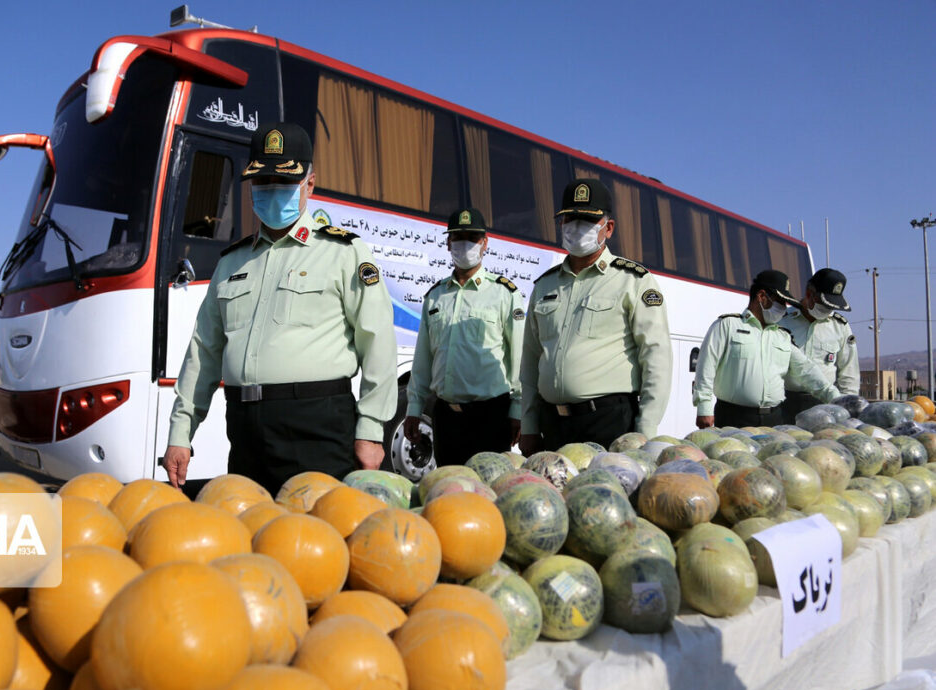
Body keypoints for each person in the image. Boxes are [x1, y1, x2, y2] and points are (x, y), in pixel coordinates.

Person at [163, 122, 397, 494]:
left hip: (316, 426)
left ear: (310, 184)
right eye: (262, 183)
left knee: (316, 541)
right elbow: (203, 352)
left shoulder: (343, 252)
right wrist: (181, 431)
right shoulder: (232, 263)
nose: (272, 192)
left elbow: (378, 345)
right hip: (244, 428)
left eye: (284, 183)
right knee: (252, 538)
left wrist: (371, 430)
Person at [520, 179, 673, 454]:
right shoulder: (544, 285)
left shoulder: (634, 280)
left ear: (608, 228)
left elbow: (656, 358)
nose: (576, 227)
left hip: (609, 423)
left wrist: (645, 431)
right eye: (570, 219)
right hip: (553, 425)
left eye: (587, 220)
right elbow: (531, 361)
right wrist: (529, 425)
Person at [403, 208, 525, 466]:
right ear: (448, 243)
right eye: (458, 237)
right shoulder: (435, 296)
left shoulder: (503, 293)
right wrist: (414, 409)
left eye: (472, 237)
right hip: (446, 418)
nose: (465, 244)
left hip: (491, 417)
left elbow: (519, 359)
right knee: (449, 492)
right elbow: (423, 360)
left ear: (485, 243)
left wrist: (518, 410)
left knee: (489, 494)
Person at [694, 269, 840, 428]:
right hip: (734, 418)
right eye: (780, 302)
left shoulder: (782, 336)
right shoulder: (727, 326)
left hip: (774, 419)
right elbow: (706, 369)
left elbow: (806, 370)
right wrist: (704, 408)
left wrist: (835, 398)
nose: (784, 308)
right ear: (762, 297)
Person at [778, 268, 859, 421]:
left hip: (825, 406)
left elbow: (849, 374)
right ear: (809, 294)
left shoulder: (840, 326)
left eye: (832, 307)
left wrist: (849, 408)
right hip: (785, 404)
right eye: (824, 306)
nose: (828, 311)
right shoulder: (782, 320)